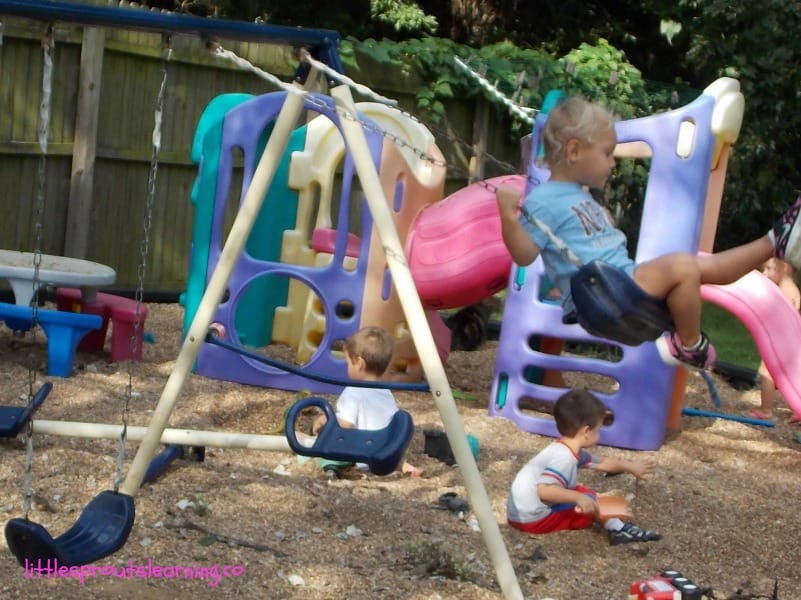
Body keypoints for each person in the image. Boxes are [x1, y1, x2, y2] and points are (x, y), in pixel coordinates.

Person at [496, 95, 801, 370]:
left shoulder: (579, 195)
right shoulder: (543, 200)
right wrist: (509, 217)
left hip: (621, 282)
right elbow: (525, 255)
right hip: (601, 293)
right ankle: (689, 345)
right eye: (607, 153)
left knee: (694, 270)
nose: (613, 162)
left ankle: (774, 241)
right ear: (574, 150)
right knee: (682, 266)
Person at [506, 389, 661, 545]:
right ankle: (617, 528)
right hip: (534, 520)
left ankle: (613, 523)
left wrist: (630, 466)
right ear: (587, 431)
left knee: (582, 493)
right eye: (598, 429)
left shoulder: (564, 448)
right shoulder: (564, 458)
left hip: (518, 515)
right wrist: (579, 498)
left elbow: (602, 463)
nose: (599, 433)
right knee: (590, 500)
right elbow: (544, 490)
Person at [311, 326, 422, 477]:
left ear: (359, 363)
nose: (347, 367)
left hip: (365, 455)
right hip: (388, 454)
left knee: (324, 451)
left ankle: (332, 468)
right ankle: (402, 465)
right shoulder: (386, 391)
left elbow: (345, 424)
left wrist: (324, 420)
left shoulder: (354, 390)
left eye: (348, 363)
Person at [748, 257, 801, 421]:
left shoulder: (787, 292)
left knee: (767, 372)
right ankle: (798, 408)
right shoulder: (789, 289)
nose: (765, 274)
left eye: (769, 269)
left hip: (781, 340)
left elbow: (785, 317)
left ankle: (766, 410)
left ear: (784, 268)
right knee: (792, 375)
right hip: (788, 340)